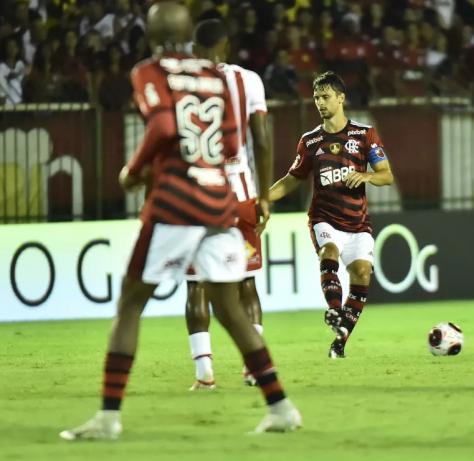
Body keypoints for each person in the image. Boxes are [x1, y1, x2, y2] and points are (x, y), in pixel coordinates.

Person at [59, 2, 300, 441]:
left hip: (176, 202)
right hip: (220, 201)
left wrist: (134, 171)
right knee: (230, 307)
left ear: (150, 36)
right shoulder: (217, 76)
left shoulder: (150, 72)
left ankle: (109, 418)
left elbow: (164, 127)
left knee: (130, 303)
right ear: (190, 35)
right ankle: (281, 406)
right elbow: (231, 141)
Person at [268, 71, 393, 359]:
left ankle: (340, 341)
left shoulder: (364, 134)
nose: (320, 103)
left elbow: (387, 176)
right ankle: (334, 311)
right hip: (324, 217)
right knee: (329, 251)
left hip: (358, 223)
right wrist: (263, 199)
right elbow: (292, 178)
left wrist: (365, 175)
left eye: (326, 97)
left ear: (341, 98)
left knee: (362, 274)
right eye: (316, 98)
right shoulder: (310, 141)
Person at [185, 18, 273, 390]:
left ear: (194, 47)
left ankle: (205, 374)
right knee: (246, 283)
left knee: (196, 287)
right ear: (225, 44)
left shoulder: (182, 80)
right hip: (240, 190)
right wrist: (265, 195)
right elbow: (263, 140)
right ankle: (253, 368)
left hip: (195, 194)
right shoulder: (248, 80)